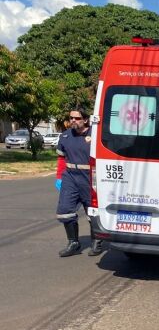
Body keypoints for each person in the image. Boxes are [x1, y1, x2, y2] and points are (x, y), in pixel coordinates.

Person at [55, 108, 103, 257]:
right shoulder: (65, 136)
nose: (73, 121)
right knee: (64, 210)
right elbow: (61, 158)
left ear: (85, 120)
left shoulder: (95, 134)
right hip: (70, 176)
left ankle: (96, 241)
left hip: (89, 177)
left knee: (92, 212)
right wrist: (59, 177)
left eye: (77, 118)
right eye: (71, 118)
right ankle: (73, 243)